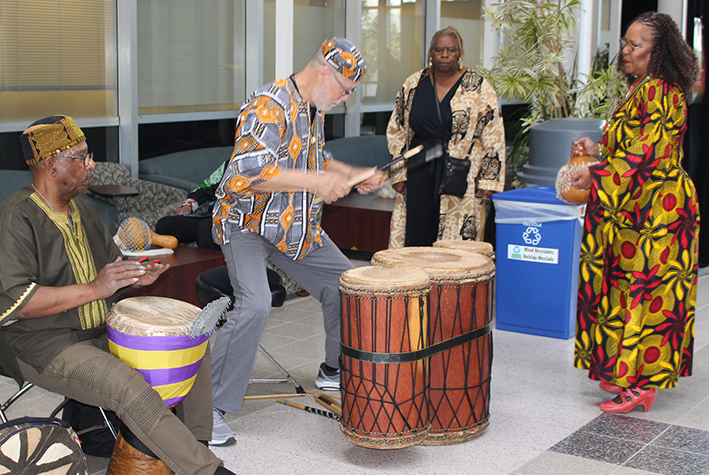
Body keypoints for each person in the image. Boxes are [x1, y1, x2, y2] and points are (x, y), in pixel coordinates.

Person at [0, 115, 233, 475]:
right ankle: (207, 471)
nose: (92, 165)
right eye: (81, 157)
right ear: (52, 164)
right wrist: (95, 288)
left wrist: (137, 279)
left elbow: (108, 281)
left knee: (190, 342)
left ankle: (193, 445)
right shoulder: (14, 219)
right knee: (128, 386)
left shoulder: (84, 210)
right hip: (41, 343)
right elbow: (17, 304)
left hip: (99, 330)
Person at [209, 38, 385, 445]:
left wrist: (353, 173)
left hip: (293, 225)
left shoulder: (312, 108)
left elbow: (314, 159)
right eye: (344, 89)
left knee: (347, 284)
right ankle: (209, 408)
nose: (344, 99)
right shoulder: (268, 104)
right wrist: (317, 182)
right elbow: (244, 174)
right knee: (253, 303)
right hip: (247, 225)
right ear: (324, 72)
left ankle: (333, 371)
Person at [569, 12, 700, 413]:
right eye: (625, 43)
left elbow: (648, 155)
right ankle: (625, 371)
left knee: (648, 293)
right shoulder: (641, 87)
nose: (624, 51)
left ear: (657, 50)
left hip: (658, 211)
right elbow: (630, 146)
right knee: (625, 291)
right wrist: (597, 153)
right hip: (633, 207)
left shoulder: (662, 91)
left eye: (634, 45)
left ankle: (642, 383)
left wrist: (595, 175)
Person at [386, 26, 506, 247]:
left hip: (461, 171)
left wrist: (489, 179)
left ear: (459, 52)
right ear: (431, 52)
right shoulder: (413, 83)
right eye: (439, 49)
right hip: (419, 168)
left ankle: (451, 282)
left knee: (456, 240)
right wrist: (398, 174)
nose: (444, 54)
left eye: (450, 49)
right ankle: (415, 279)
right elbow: (397, 129)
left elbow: (493, 134)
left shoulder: (478, 87)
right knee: (417, 233)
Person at [155, 161, 227, 250]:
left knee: (205, 228)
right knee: (165, 225)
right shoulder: (230, 163)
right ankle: (175, 263)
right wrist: (188, 206)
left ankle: (211, 264)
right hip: (213, 216)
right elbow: (205, 188)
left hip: (239, 222)